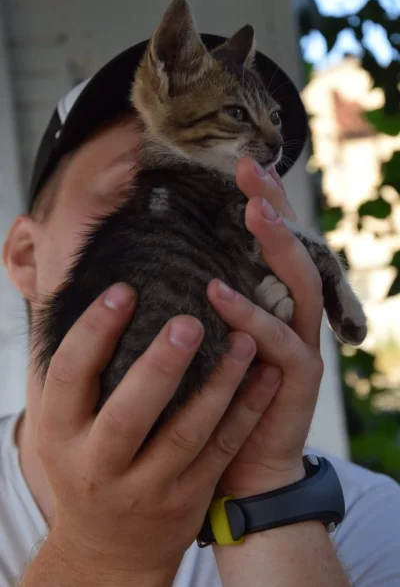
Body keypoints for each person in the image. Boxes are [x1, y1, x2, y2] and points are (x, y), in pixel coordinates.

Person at [1, 35, 400, 587]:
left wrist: (266, 483)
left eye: (260, 199)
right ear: (25, 257)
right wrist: (102, 555)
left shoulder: (372, 519)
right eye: (138, 194)